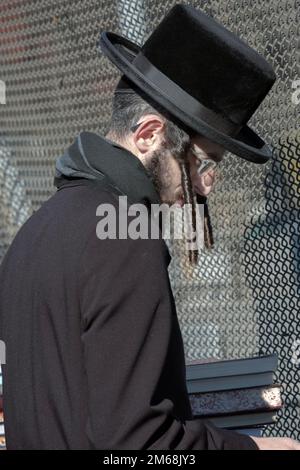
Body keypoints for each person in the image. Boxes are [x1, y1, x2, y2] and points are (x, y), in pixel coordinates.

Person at [0, 4, 299, 450]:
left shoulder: (36, 232)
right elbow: (134, 445)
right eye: (202, 163)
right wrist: (255, 449)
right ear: (148, 134)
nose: (206, 187)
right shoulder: (124, 235)